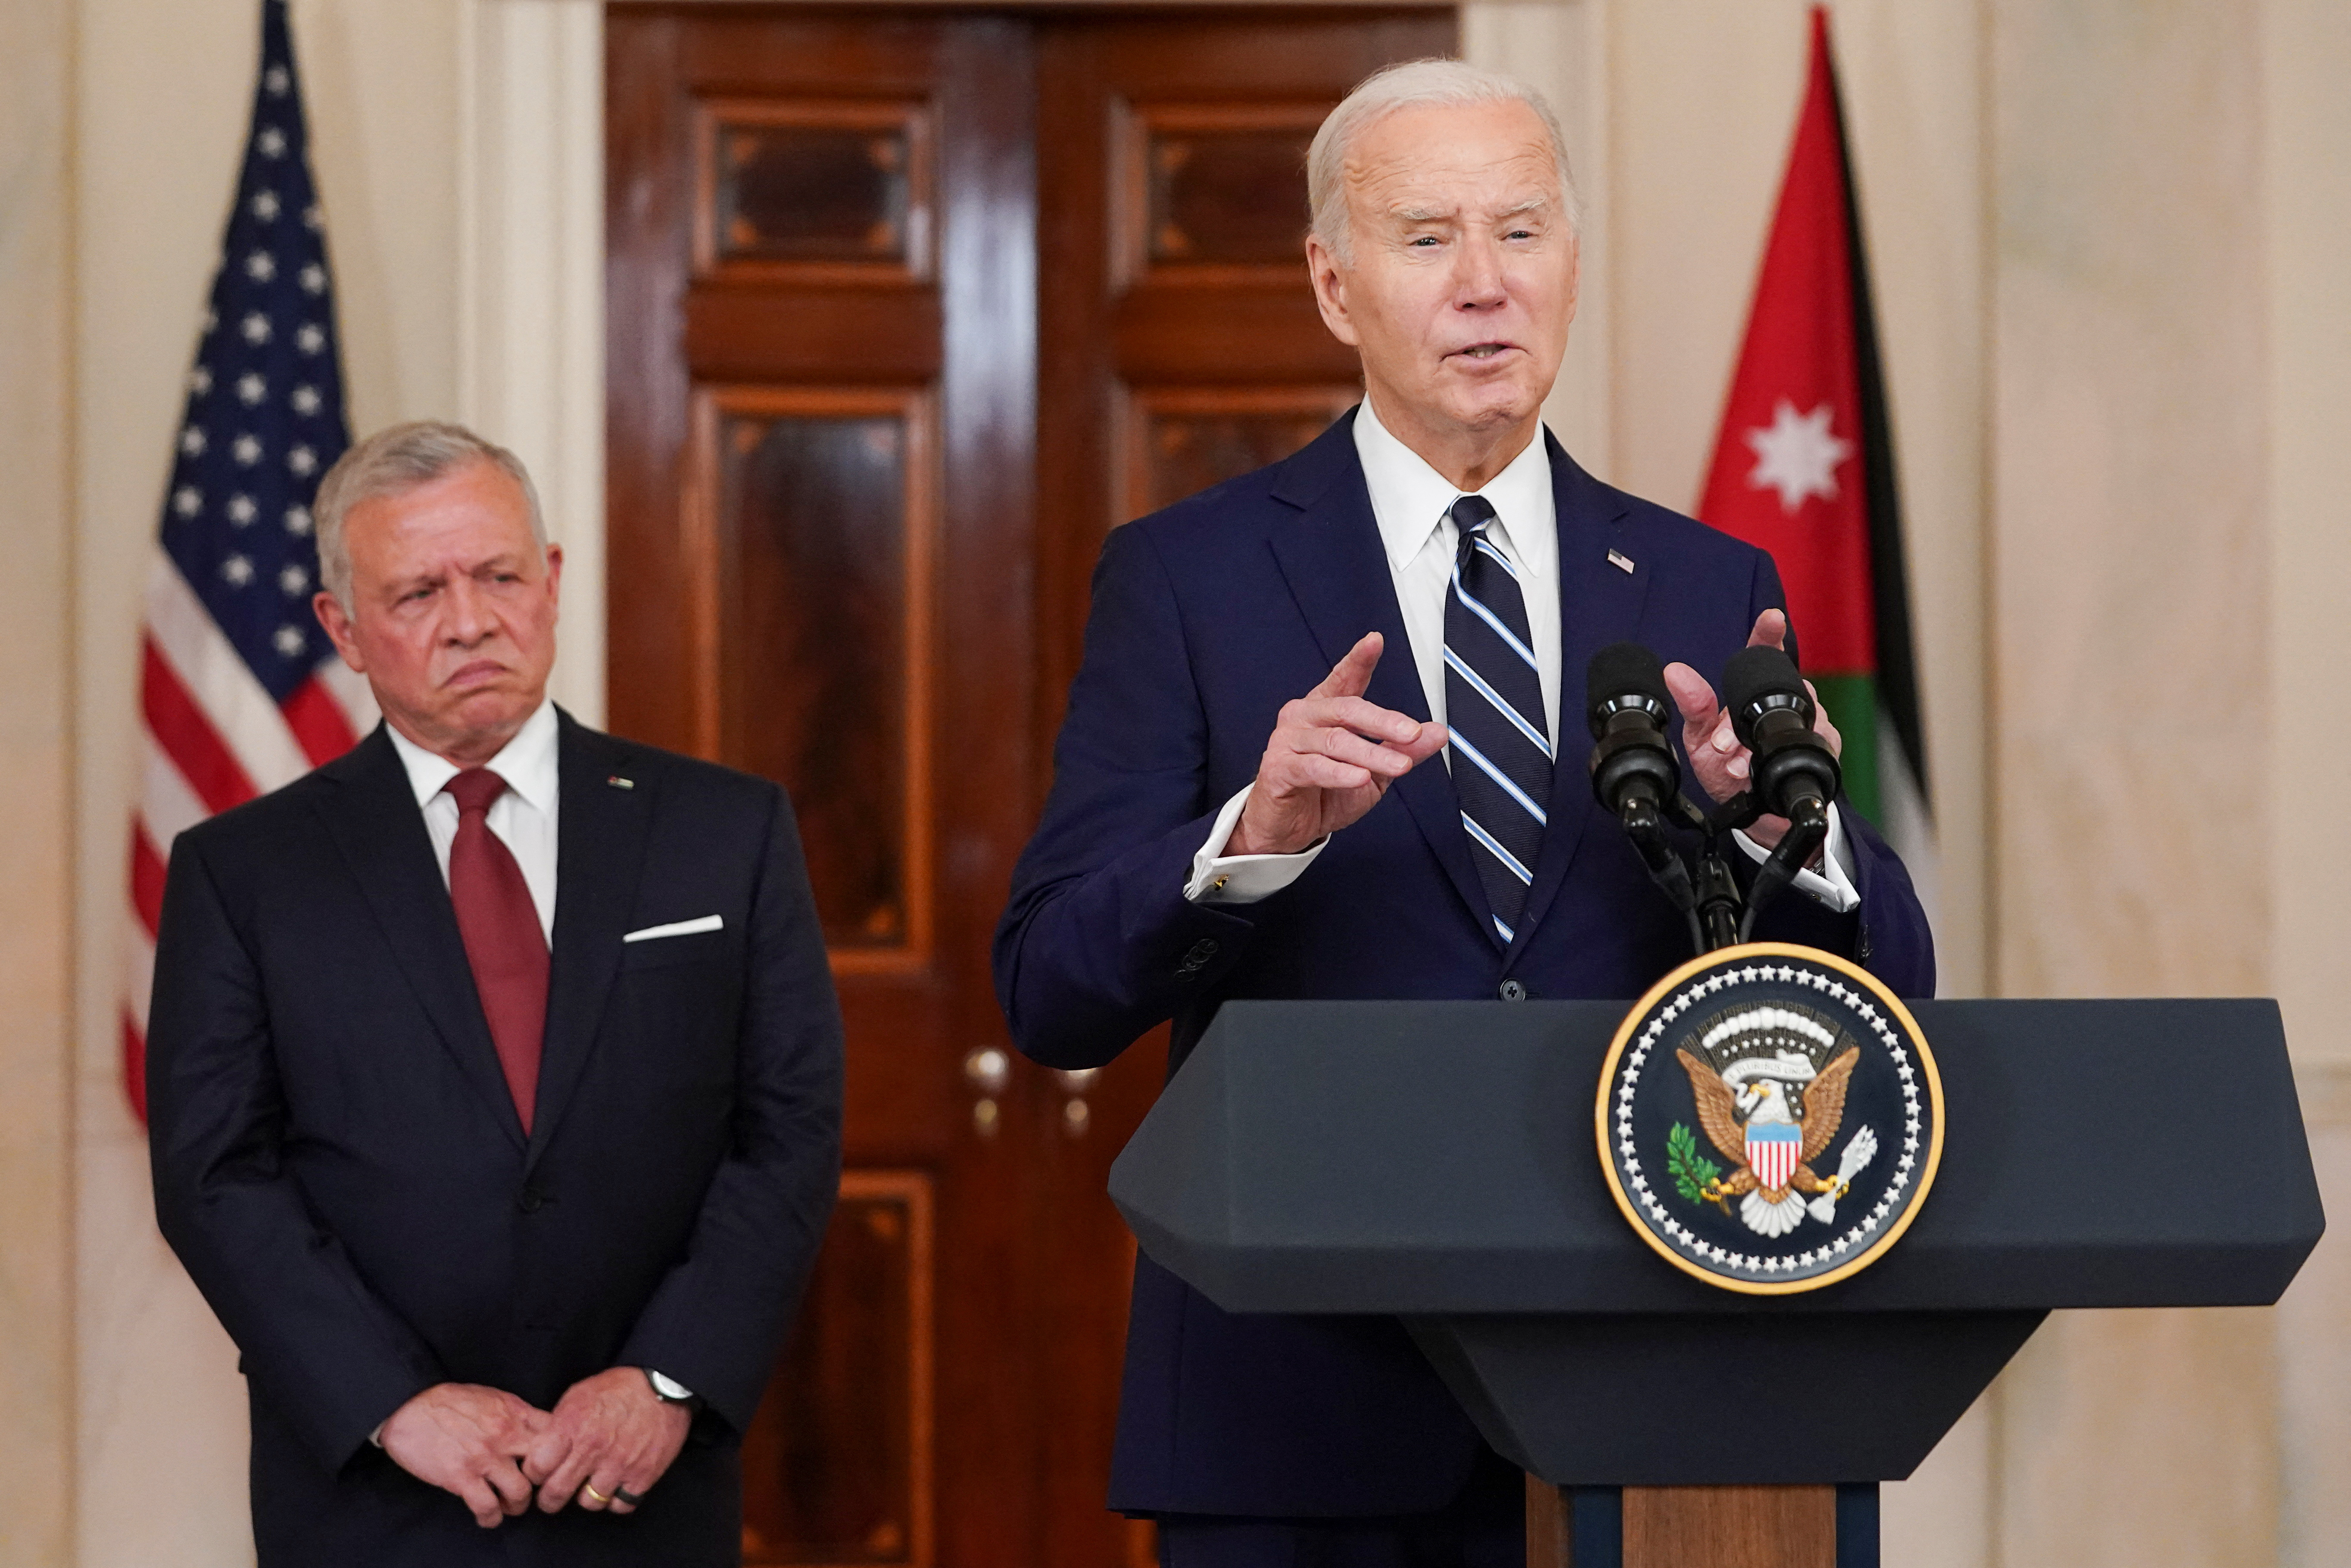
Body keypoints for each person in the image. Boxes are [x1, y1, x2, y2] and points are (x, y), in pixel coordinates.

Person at [993, 59, 1933, 1566]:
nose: (1486, 285)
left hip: (1666, 1391)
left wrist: (1784, 836)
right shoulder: (1191, 579)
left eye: (1524, 233)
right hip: (1299, 1409)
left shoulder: (1707, 582)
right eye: (1429, 238)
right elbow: (1048, 991)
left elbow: (1892, 985)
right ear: (1333, 283)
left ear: (1571, 264)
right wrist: (1254, 838)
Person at [146, 421, 844, 1566]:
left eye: (500, 576)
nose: (471, 621)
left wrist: (666, 1380)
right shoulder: (244, 874)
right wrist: (394, 1405)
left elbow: (789, 1131)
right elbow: (218, 1176)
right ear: (345, 630)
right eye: (419, 592)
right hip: (378, 1499)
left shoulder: (728, 832)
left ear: (553, 582)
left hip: (646, 1485)